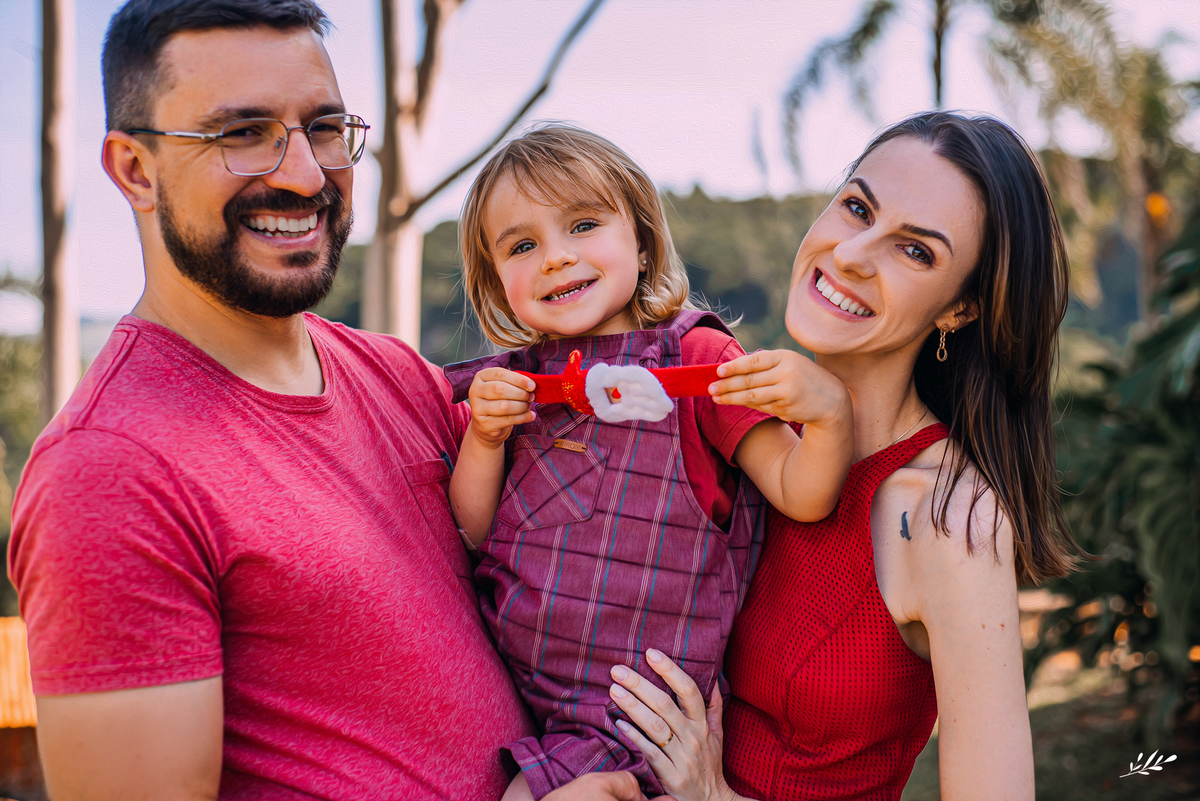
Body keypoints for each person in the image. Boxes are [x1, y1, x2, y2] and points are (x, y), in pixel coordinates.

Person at [7, 3, 649, 799]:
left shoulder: (401, 379)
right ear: (136, 170)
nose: (306, 174)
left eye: (323, 127)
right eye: (242, 133)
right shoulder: (109, 473)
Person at [602, 112, 1081, 801]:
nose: (853, 254)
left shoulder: (946, 513)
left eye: (915, 251)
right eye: (857, 207)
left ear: (961, 309)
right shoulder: (748, 436)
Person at [443, 126, 855, 800]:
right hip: (540, 718)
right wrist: (484, 439)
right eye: (522, 245)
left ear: (640, 238)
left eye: (582, 224)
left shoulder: (697, 361)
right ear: (496, 281)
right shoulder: (514, 385)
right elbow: (474, 531)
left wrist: (830, 416)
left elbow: (800, 491)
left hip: (646, 728)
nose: (554, 257)